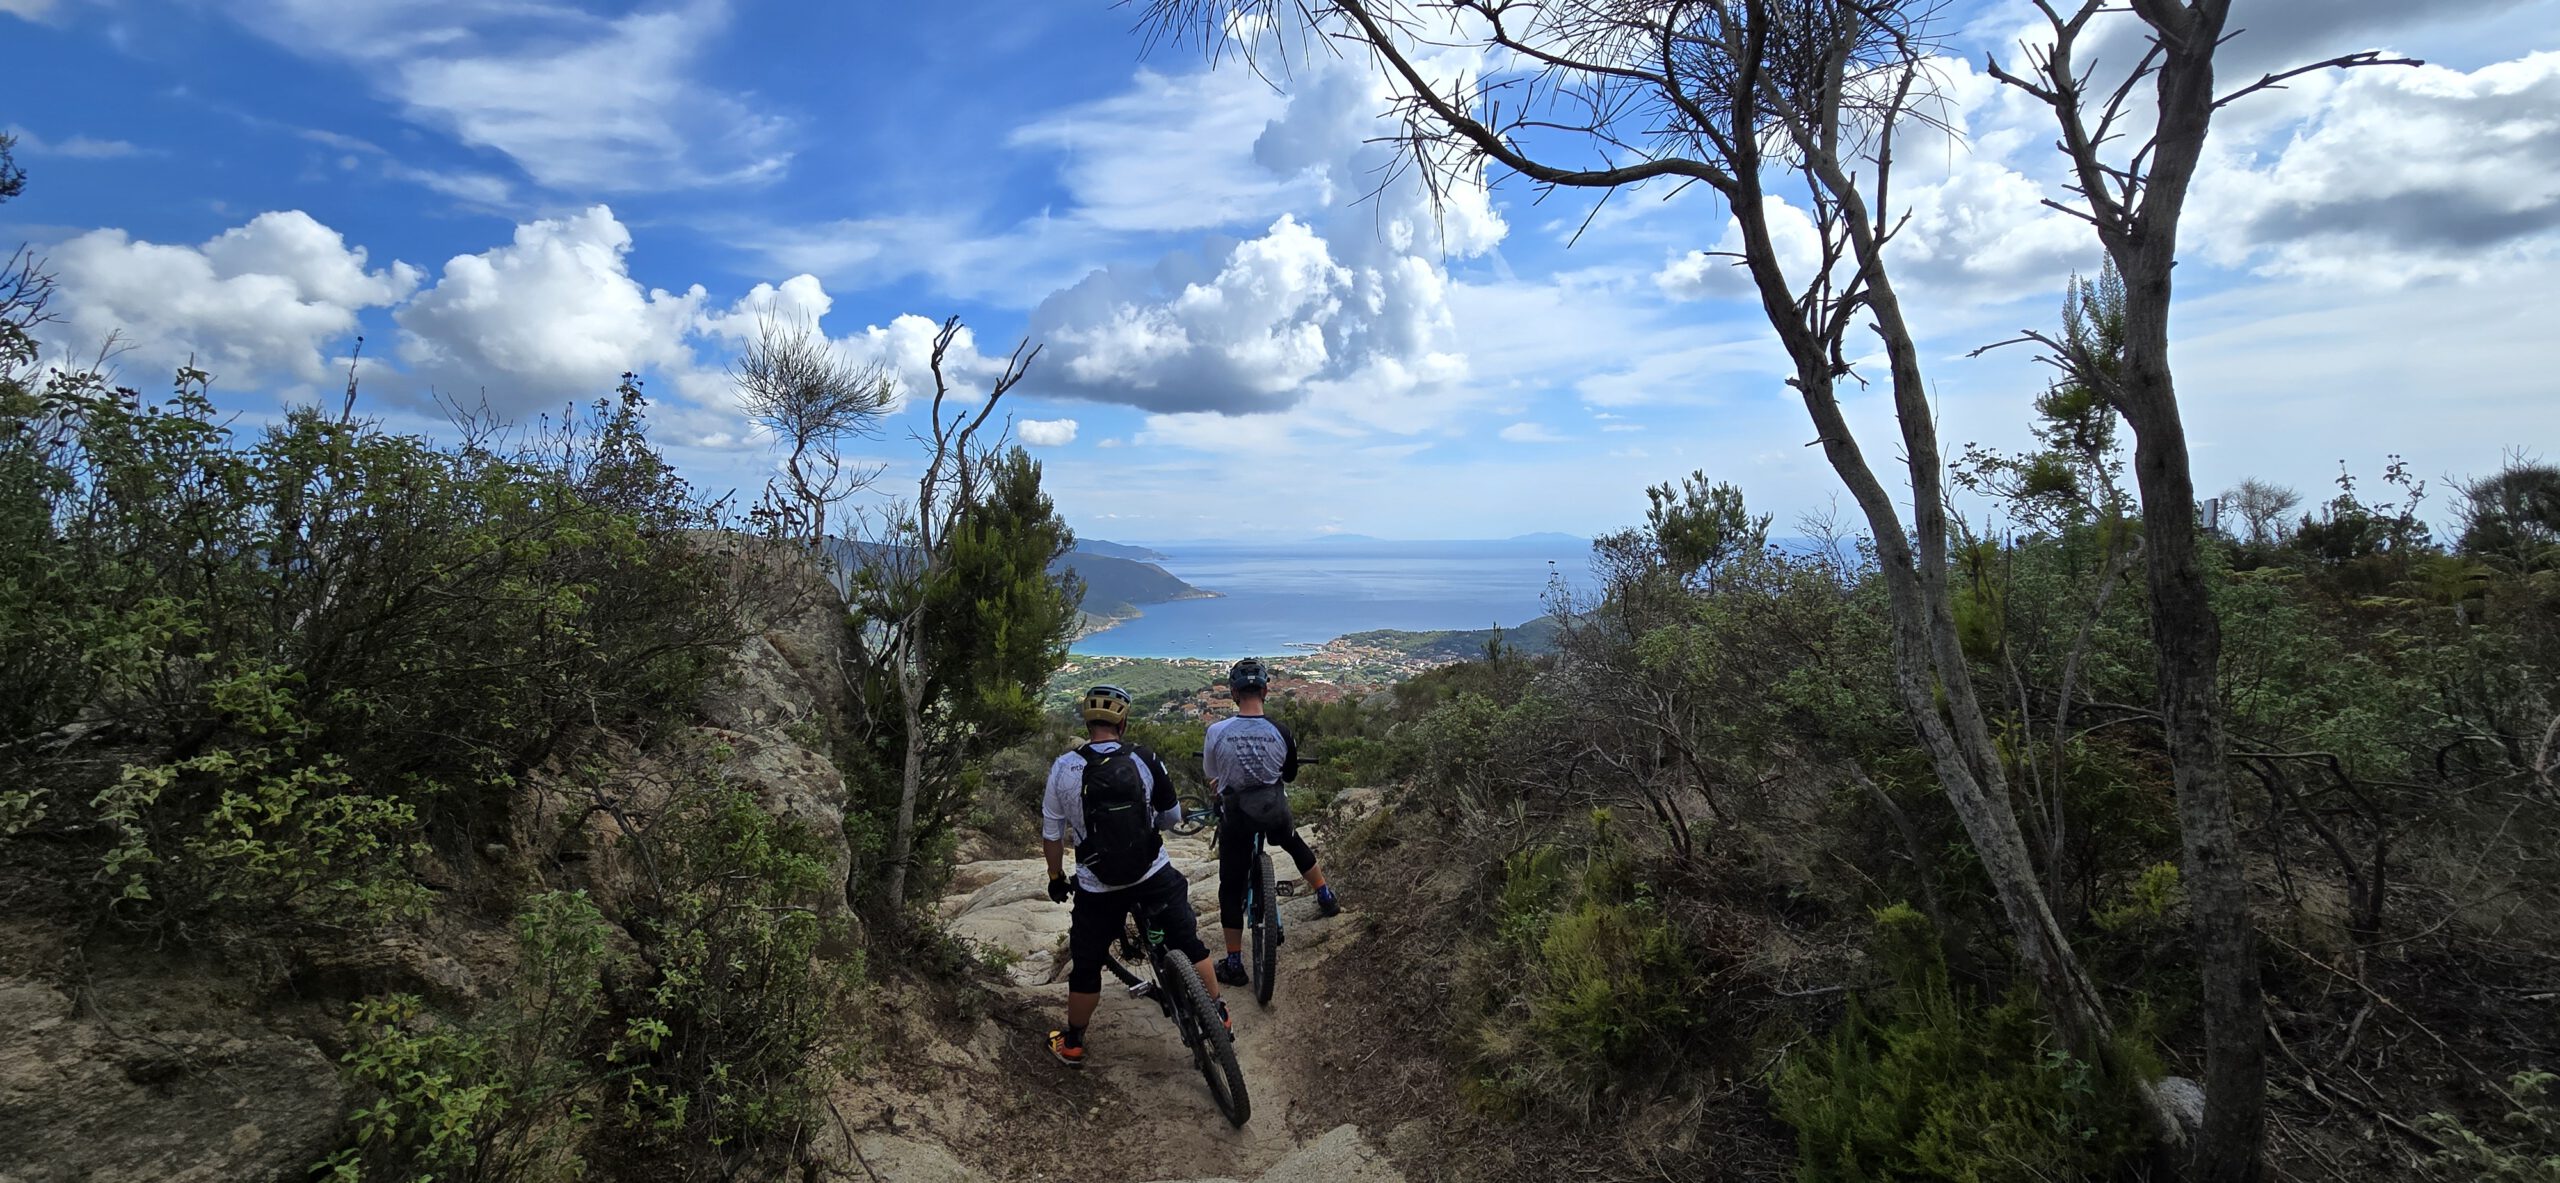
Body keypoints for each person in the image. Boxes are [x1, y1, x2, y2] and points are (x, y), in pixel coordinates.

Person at [1043, 683, 1227, 1067]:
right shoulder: (1144, 758)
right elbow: (1173, 817)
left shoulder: (1064, 768)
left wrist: (1056, 876)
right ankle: (1219, 1017)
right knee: (1189, 943)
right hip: (1152, 874)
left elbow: (1052, 834)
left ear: (1087, 721)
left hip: (1097, 886)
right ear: (1122, 723)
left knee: (1087, 964)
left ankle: (1073, 1042)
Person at [1201, 658, 1339, 989]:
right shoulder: (1282, 732)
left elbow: (1212, 774)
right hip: (1274, 809)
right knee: (1292, 842)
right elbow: (1289, 774)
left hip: (1237, 816)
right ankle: (1325, 896)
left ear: (1234, 693)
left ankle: (1234, 961)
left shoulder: (1217, 732)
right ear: (1265, 691)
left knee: (1230, 887)